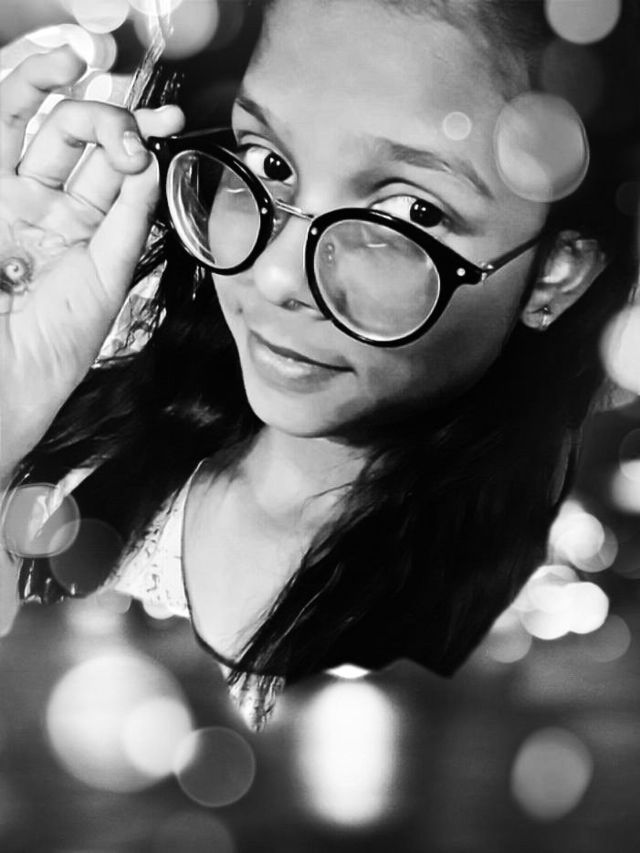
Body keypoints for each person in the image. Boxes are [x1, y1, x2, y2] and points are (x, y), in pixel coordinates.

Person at [1, 0, 638, 731]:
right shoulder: (76, 468)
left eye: (411, 215)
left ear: (557, 272)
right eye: (269, 164)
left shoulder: (556, 645)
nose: (277, 275)